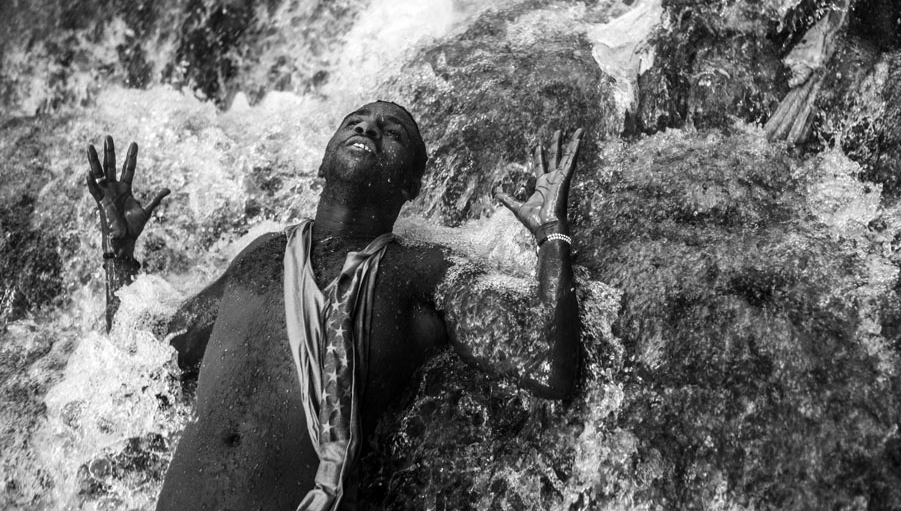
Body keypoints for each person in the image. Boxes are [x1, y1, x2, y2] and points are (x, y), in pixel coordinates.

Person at [86, 101, 583, 510]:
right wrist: (118, 254)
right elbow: (142, 357)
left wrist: (551, 236)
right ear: (324, 162)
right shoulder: (261, 257)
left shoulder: (417, 272)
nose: (371, 127)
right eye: (357, 121)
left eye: (394, 133)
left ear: (411, 187)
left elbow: (547, 366)